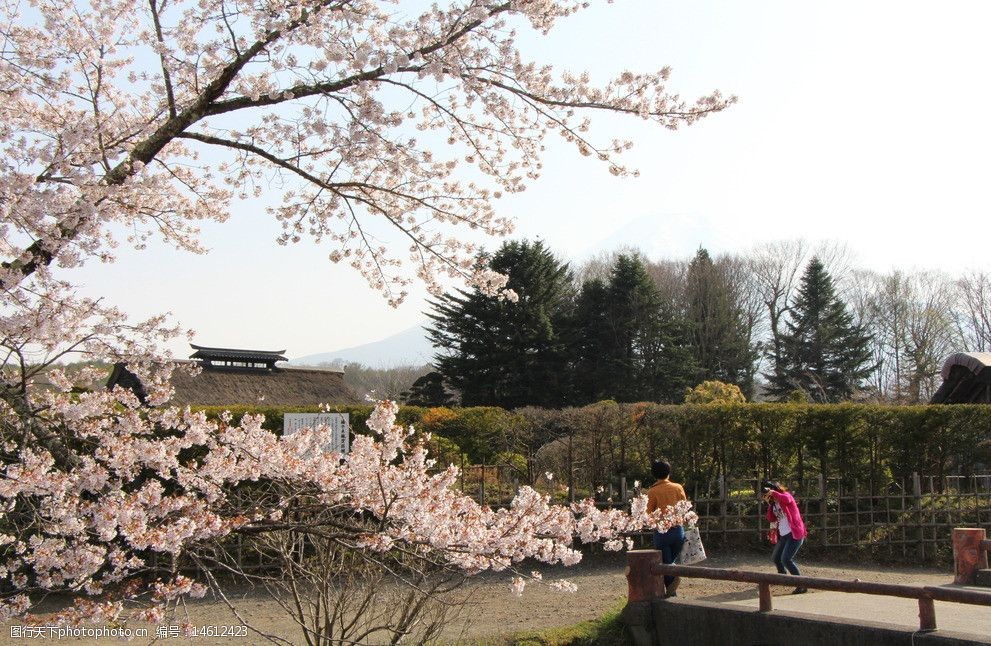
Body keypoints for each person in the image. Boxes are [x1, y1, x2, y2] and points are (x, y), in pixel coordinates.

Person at [646, 459, 687, 597]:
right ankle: (672, 588)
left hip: (662, 533)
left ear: (654, 474)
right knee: (670, 561)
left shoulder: (652, 491)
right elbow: (684, 507)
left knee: (666, 563)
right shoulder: (678, 487)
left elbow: (648, 513)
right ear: (669, 472)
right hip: (678, 530)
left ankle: (672, 594)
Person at [762, 480, 808, 594]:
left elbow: (787, 499)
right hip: (783, 535)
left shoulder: (786, 496)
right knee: (776, 558)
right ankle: (783, 579)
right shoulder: (774, 505)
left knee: (786, 559)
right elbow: (771, 518)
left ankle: (802, 584)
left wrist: (774, 493)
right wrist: (769, 505)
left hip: (794, 534)